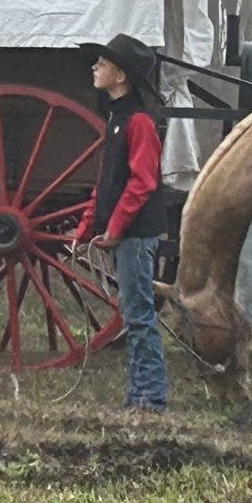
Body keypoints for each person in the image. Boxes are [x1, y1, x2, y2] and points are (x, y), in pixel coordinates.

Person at [76, 33, 170, 412]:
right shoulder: (117, 119)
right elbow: (106, 184)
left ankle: (151, 396)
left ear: (121, 76)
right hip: (124, 234)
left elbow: (142, 182)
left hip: (136, 235)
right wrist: (85, 230)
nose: (95, 66)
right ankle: (138, 393)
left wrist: (115, 230)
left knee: (139, 315)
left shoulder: (140, 122)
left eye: (103, 61)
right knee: (132, 313)